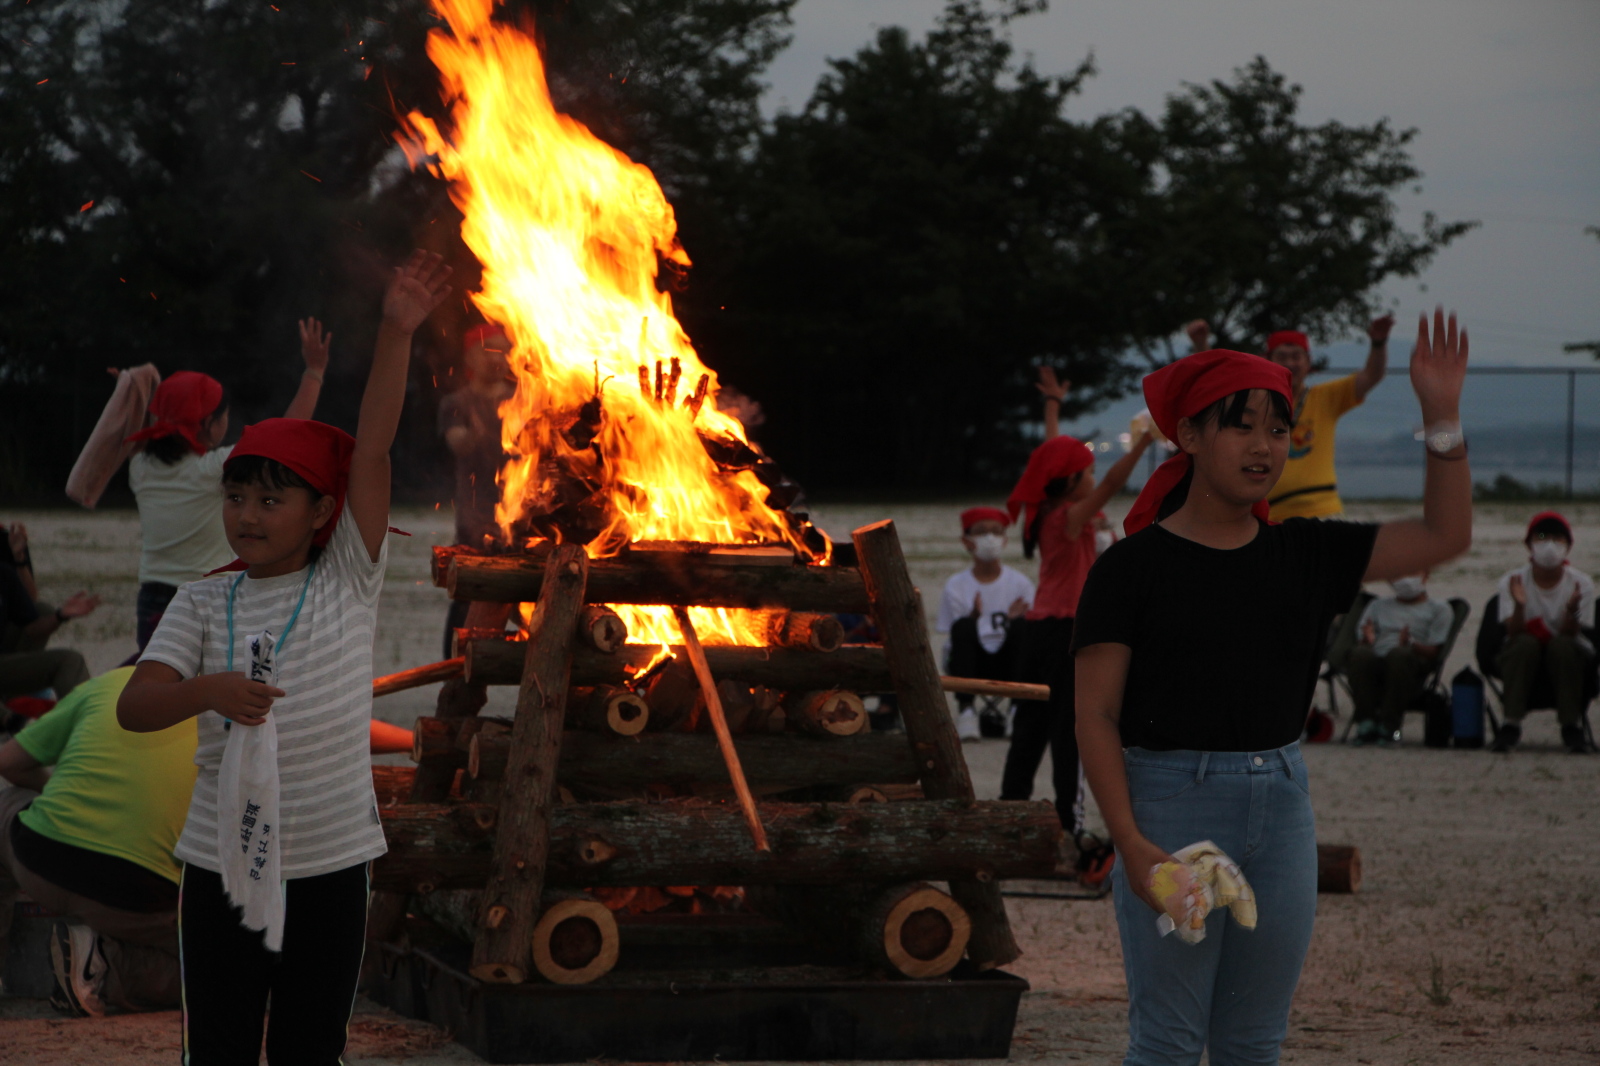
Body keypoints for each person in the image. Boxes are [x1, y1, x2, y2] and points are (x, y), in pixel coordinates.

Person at [1073, 309, 1471, 1064]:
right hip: (1169, 802)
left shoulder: (1307, 553)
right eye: (1241, 426)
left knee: (1255, 1042)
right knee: (1167, 1040)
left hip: (1281, 803)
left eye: (1279, 429)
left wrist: (1441, 417)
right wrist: (1128, 842)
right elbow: (1094, 712)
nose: (1263, 446)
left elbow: (1445, 536)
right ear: (1188, 436)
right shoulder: (1130, 568)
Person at [118, 250, 451, 1065]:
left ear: (320, 512)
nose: (248, 515)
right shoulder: (202, 600)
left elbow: (370, 453)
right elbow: (137, 705)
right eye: (236, 496)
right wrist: (211, 690)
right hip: (218, 866)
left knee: (310, 1046)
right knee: (222, 1048)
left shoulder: (348, 578)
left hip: (332, 864)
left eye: (272, 499)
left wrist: (396, 331)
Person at [112, 320, 330, 651]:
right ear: (209, 426)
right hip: (204, 596)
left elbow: (147, 428)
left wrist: (127, 396)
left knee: (164, 686)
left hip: (152, 599)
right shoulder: (212, 470)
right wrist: (314, 371)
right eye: (222, 416)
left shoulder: (140, 467)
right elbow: (286, 430)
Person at [0, 667, 196, 1015]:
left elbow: (10, 761)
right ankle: (105, 965)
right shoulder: (230, 711)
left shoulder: (109, 683)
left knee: (6, 804)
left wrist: (59, 800)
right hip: (139, 901)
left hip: (43, 857)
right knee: (226, 973)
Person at [1000, 408, 1154, 838]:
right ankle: (1070, 828)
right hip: (1065, 633)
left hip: (1038, 631)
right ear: (1070, 483)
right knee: (1071, 733)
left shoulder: (1052, 512)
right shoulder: (1067, 518)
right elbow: (1109, 485)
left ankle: (1005, 820)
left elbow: (1052, 457)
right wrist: (1144, 441)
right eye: (1085, 471)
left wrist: (1051, 408)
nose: (1094, 475)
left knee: (1028, 732)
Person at [1251, 314, 1395, 520]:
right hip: (1273, 516)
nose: (1290, 363)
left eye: (1296, 356)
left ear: (1308, 362)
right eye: (1282, 357)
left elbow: (1371, 376)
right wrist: (1201, 344)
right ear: (1267, 361)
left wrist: (1378, 343)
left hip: (1322, 511)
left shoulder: (1324, 397)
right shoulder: (1254, 404)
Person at [1491, 511, 1595, 754]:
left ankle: (1571, 724)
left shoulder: (1582, 584)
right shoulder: (1512, 581)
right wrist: (1519, 605)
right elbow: (1513, 632)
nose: (1549, 545)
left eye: (1558, 538)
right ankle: (1511, 723)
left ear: (1568, 545)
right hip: (1524, 649)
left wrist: (1572, 611)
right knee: (1524, 644)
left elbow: (1574, 631)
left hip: (1565, 647)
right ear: (1528, 544)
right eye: (1541, 536)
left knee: (1563, 647)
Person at [438, 324, 514, 656]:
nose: (496, 358)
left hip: (520, 520)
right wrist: (484, 429)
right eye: (488, 350)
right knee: (466, 604)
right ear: (470, 355)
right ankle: (453, 669)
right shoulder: (457, 403)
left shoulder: (523, 400)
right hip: (476, 519)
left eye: (503, 350)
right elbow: (459, 445)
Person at [934, 507, 1034, 741]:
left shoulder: (1020, 583)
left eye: (996, 532)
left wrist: (1012, 621)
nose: (990, 539)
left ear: (1005, 540)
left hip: (1009, 662)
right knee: (963, 626)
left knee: (1023, 627)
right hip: (970, 663)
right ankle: (967, 712)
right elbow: (953, 635)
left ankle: (1015, 710)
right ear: (966, 541)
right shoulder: (956, 585)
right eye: (981, 532)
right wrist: (972, 618)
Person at [1346, 572, 1454, 745]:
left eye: (1412, 573)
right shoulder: (1377, 605)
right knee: (1360, 654)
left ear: (1425, 575)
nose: (1405, 580)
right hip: (1377, 658)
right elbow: (1364, 638)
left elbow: (1434, 651)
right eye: (1398, 574)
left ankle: (1389, 725)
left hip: (1412, 661)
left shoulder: (1439, 609)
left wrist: (1411, 643)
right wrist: (1367, 639)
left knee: (1399, 655)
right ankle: (1366, 723)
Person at [0, 522, 98, 704]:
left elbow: (29, 618)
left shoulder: (4, 567)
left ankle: (85, 725)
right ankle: (9, 717)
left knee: (70, 660)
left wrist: (61, 615)